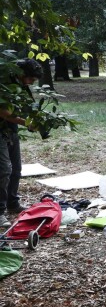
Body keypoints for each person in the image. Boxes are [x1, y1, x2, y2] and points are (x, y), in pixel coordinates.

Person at [0, 59, 42, 227]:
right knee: (4, 171)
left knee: (16, 169)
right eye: (30, 78)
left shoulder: (20, 87)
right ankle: (0, 211)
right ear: (20, 73)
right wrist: (26, 123)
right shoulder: (4, 84)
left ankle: (12, 203)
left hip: (10, 130)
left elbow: (24, 108)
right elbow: (3, 111)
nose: (31, 82)